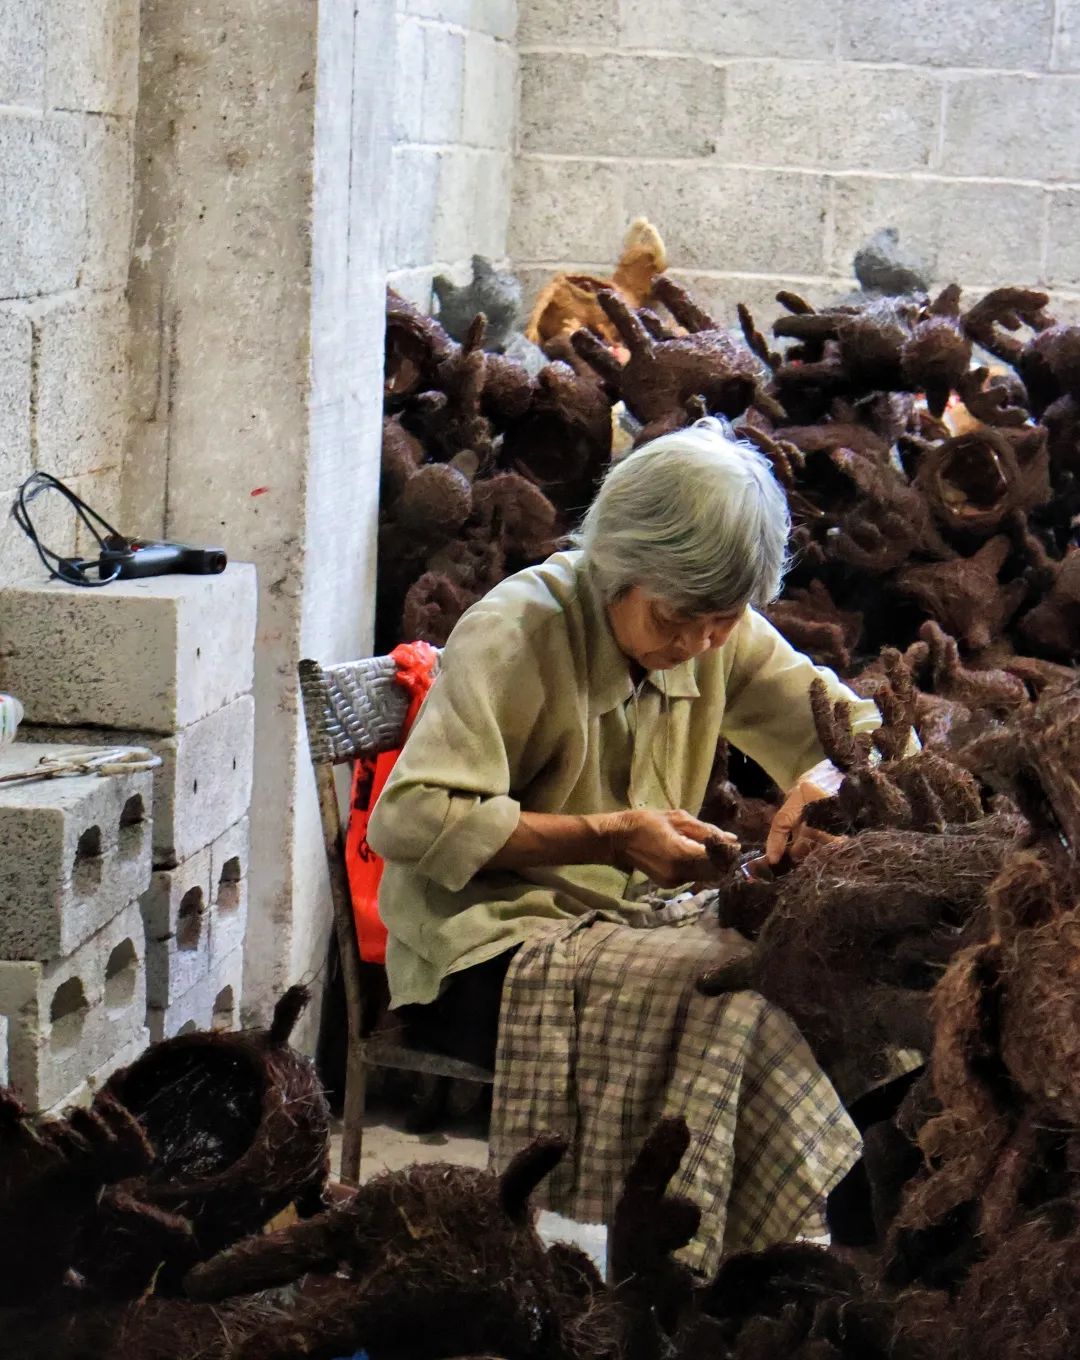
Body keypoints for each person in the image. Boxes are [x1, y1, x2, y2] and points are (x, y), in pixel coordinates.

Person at [368, 418, 884, 1069]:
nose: (697, 644)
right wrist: (609, 836)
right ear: (618, 567)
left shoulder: (715, 630)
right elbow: (408, 820)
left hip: (634, 923)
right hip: (484, 952)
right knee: (739, 1014)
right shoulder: (518, 631)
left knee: (824, 988)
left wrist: (831, 786)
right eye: (672, 618)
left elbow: (867, 734)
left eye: (724, 621)